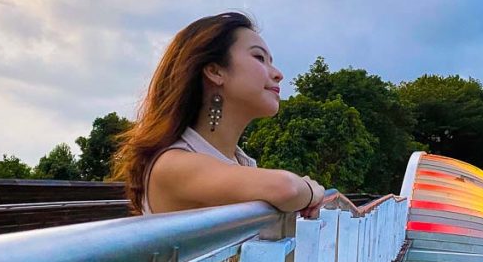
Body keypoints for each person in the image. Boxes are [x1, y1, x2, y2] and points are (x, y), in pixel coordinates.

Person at [114, 12, 326, 218]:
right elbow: (285, 188)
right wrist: (311, 189)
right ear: (215, 72)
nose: (278, 74)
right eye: (259, 58)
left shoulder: (236, 162)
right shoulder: (172, 164)